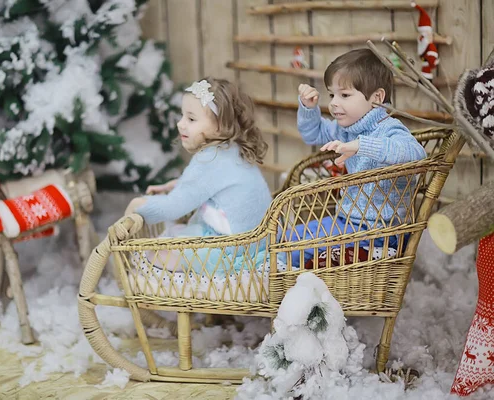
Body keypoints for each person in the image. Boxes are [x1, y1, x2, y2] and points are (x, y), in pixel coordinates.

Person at [289, 48, 427, 265]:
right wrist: (308, 108)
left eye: (344, 95)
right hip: (349, 221)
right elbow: (313, 134)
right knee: (288, 238)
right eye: (332, 94)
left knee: (295, 249)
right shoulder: (347, 128)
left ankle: (295, 288)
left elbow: (415, 154)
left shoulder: (388, 129)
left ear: (377, 98)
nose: (334, 102)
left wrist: (361, 146)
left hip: (381, 230)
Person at [124, 77, 272, 275]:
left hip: (229, 250)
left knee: (152, 255)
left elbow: (174, 208)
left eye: (191, 119)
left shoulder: (209, 159)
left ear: (219, 125)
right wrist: (175, 185)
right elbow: (217, 186)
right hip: (256, 243)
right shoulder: (231, 149)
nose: (180, 124)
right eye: (182, 116)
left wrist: (140, 205)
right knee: (176, 236)